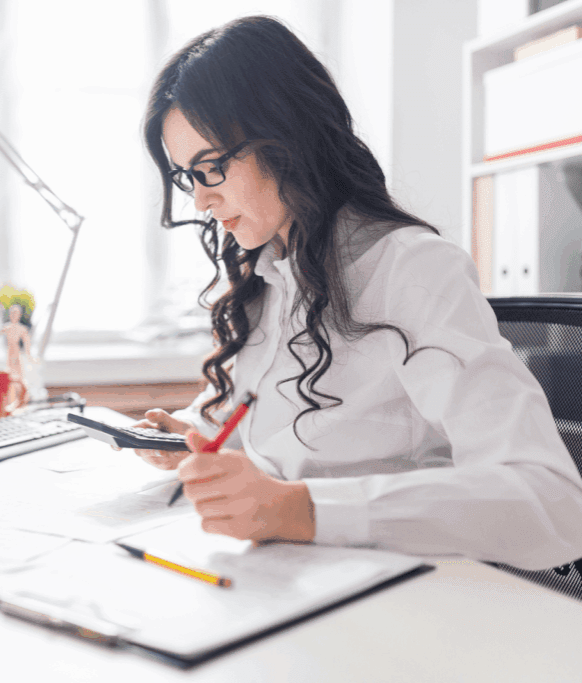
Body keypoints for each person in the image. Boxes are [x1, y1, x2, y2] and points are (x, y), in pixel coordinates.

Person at [133, 15, 582, 570]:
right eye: (186, 177)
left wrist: (304, 510)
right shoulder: (268, 277)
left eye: (212, 168)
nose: (200, 202)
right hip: (290, 585)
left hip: (406, 601)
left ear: (286, 140)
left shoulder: (413, 270)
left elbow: (553, 501)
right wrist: (194, 438)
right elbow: (269, 443)